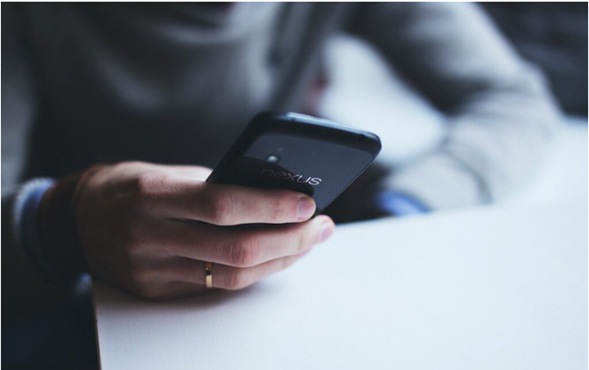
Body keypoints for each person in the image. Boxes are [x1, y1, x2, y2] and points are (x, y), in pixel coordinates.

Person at [3, 3, 559, 321]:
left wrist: (400, 209)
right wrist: (57, 223)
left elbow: (515, 101)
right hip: (72, 288)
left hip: (294, 274)